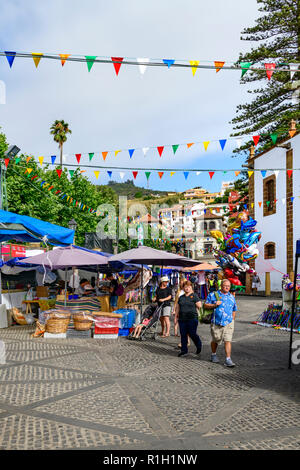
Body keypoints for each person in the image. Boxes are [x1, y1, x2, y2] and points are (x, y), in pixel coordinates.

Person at [204, 279, 237, 367]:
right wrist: (214, 305)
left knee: (228, 340)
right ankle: (213, 354)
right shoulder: (213, 295)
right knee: (216, 339)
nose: (227, 287)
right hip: (216, 322)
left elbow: (234, 309)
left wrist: (232, 319)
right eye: (225, 285)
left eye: (228, 286)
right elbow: (205, 305)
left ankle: (228, 359)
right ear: (221, 286)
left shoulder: (231, 296)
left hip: (228, 322)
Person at [174, 280, 202, 357]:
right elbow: (177, 308)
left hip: (192, 318)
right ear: (183, 288)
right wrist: (176, 317)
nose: (187, 288)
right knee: (183, 335)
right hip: (182, 319)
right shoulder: (181, 297)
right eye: (185, 287)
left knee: (192, 334)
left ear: (191, 287)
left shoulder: (194, 296)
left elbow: (200, 306)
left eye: (188, 287)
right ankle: (184, 350)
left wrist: (198, 305)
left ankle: (198, 344)